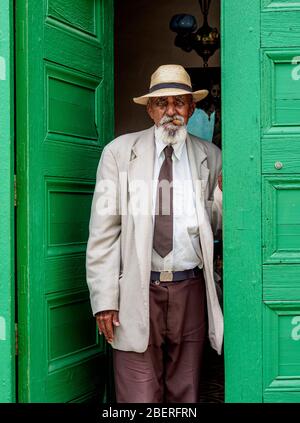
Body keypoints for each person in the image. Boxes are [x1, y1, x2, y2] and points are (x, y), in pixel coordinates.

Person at [86, 64, 223, 403]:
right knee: (137, 394)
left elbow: (218, 226)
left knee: (186, 391)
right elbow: (103, 232)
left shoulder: (211, 156)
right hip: (136, 287)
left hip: (190, 287)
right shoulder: (118, 154)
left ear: (191, 108)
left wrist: (223, 199)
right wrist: (105, 300)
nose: (171, 112)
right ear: (150, 109)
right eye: (162, 103)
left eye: (179, 103)